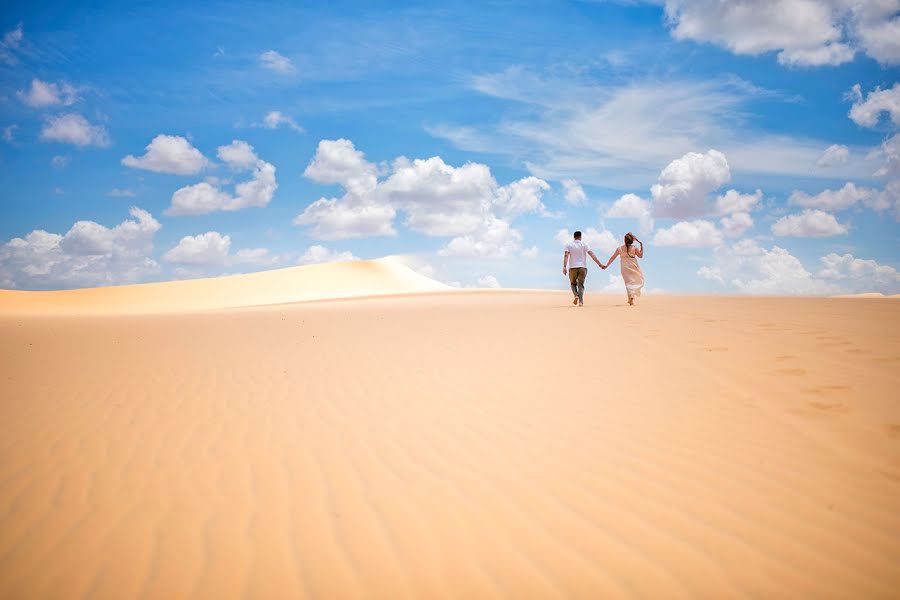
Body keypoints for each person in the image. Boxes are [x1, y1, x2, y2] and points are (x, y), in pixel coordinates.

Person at [562, 231, 605, 306]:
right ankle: (581, 302)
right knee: (580, 285)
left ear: (574, 237)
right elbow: (591, 254)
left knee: (573, 284)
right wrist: (599, 263)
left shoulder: (568, 245)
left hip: (572, 267)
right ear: (580, 237)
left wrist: (564, 266)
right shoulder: (584, 244)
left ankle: (576, 295)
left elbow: (566, 255)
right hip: (582, 267)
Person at [602, 232, 644, 305]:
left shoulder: (619, 248)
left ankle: (631, 298)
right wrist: (641, 245)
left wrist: (607, 265)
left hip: (624, 267)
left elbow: (613, 257)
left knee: (628, 282)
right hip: (633, 266)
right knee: (634, 281)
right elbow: (640, 256)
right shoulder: (634, 248)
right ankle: (631, 297)